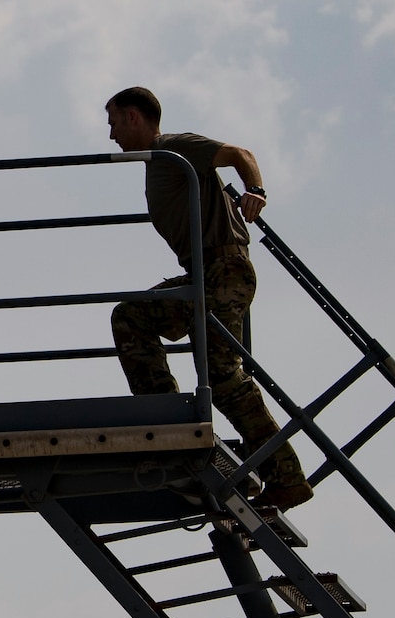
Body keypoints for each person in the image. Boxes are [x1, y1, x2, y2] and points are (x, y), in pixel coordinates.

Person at [104, 86, 313, 510]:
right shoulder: (159, 162)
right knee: (132, 317)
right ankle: (166, 418)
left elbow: (239, 154)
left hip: (224, 271)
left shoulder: (173, 147)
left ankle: (285, 476)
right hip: (203, 275)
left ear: (133, 117)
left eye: (113, 123)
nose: (111, 135)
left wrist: (256, 190)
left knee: (221, 376)